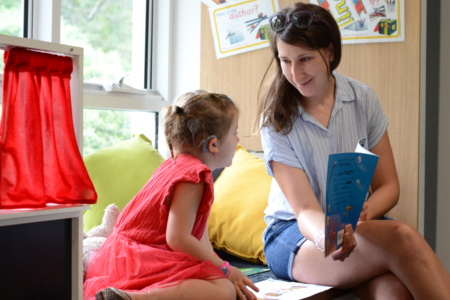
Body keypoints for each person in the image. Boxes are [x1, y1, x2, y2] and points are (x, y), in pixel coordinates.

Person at [257, 3, 450, 299]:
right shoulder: (275, 119)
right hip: (296, 233)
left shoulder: (363, 98)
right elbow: (305, 210)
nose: (295, 73)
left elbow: (388, 186)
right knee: (401, 236)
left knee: (393, 290)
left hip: (355, 223)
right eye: (285, 61)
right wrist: (329, 237)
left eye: (305, 59)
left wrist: (365, 212)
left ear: (330, 52)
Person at [84, 90, 259, 300]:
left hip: (118, 258)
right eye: (235, 132)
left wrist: (221, 268)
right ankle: (135, 298)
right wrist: (226, 270)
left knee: (220, 281)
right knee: (224, 291)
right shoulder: (194, 175)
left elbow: (199, 240)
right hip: (138, 263)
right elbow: (178, 238)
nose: (238, 138)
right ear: (213, 144)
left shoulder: (173, 166)